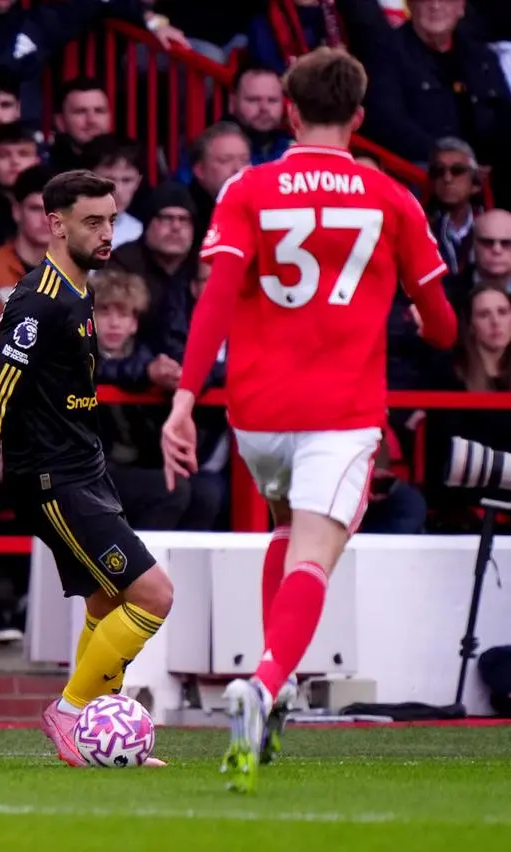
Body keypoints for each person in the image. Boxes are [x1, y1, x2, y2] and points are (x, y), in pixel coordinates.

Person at [159, 48, 459, 793]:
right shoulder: (392, 197)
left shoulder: (248, 188)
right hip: (342, 411)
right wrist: (426, 322)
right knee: (312, 560)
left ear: (289, 110)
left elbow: (217, 300)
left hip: (260, 413)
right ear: (358, 116)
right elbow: (447, 328)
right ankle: (260, 688)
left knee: (286, 532)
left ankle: (277, 686)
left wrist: (185, 400)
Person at [0, 169, 174, 769]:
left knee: (105, 605)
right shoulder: (36, 300)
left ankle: (101, 731)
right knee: (154, 595)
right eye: (93, 222)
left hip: (84, 471)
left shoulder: (78, 291)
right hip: (55, 481)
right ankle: (70, 712)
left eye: (112, 220)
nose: (107, 234)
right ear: (56, 224)